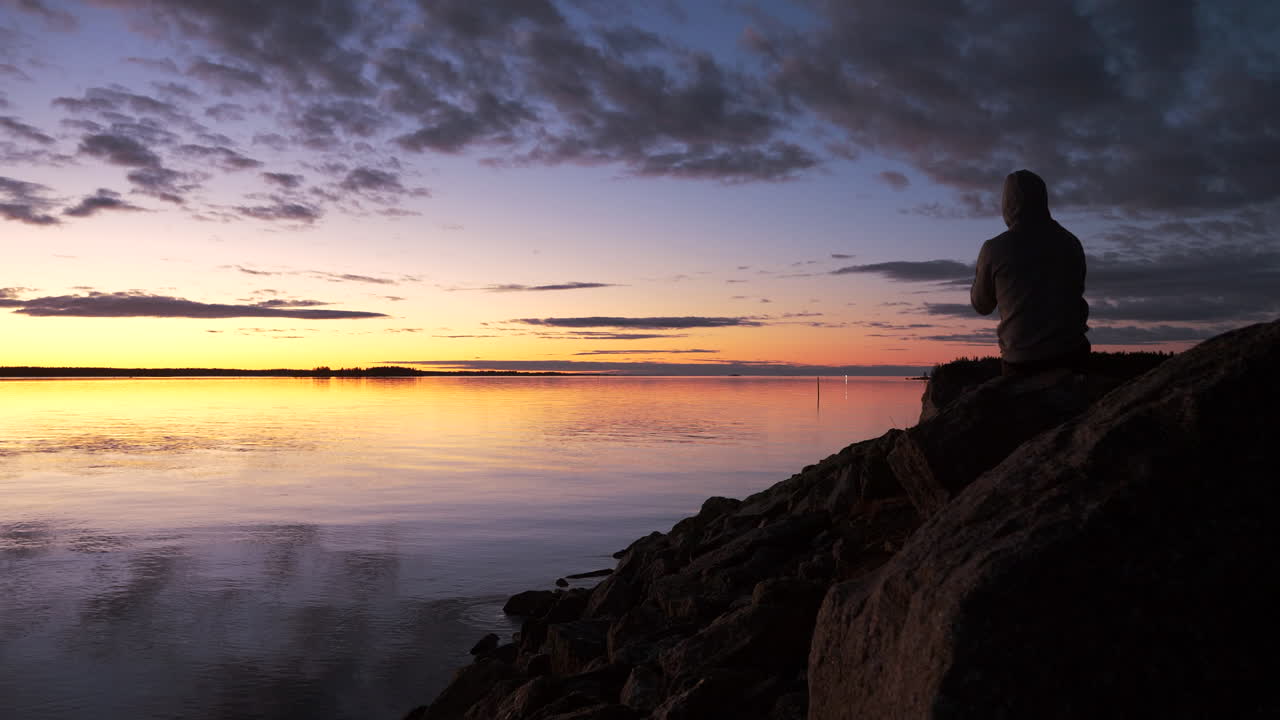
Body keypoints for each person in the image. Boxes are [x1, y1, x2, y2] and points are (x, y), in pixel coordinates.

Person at [970, 169, 1090, 376]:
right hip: (1071, 354)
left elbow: (982, 305)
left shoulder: (995, 248)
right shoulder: (1071, 242)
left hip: (1021, 360)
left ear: (1007, 204)